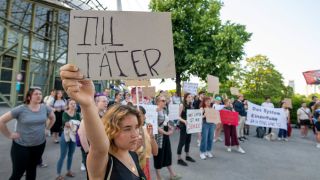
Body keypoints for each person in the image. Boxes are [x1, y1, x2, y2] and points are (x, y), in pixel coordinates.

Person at [60, 64, 146, 179]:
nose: (136, 134)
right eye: (127, 128)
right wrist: (88, 104)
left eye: (136, 127)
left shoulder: (133, 154)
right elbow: (99, 147)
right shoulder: (103, 160)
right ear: (112, 130)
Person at [0, 87, 55, 180]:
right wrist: (9, 135)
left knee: (32, 170)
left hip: (39, 145)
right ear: (29, 97)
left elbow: (53, 118)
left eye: (40, 94)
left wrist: (47, 129)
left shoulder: (45, 108)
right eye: (36, 94)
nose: (39, 96)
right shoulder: (21, 109)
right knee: (18, 173)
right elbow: (1, 121)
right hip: (21, 146)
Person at [78, 94, 109, 174]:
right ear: (96, 103)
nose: (106, 103)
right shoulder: (89, 115)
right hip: (91, 152)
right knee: (93, 175)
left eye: (107, 101)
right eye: (104, 101)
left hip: (101, 151)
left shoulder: (104, 115)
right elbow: (82, 134)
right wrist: (88, 152)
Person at [153, 95, 181, 180]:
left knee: (167, 153)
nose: (164, 102)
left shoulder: (164, 110)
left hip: (165, 134)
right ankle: (158, 177)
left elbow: (165, 121)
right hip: (158, 136)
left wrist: (170, 126)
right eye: (162, 100)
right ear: (157, 101)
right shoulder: (154, 111)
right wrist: (166, 132)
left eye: (165, 100)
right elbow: (155, 126)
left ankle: (172, 174)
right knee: (158, 155)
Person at [56, 99, 81, 179]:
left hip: (73, 136)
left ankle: (68, 171)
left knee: (70, 154)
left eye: (74, 103)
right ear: (68, 105)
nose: (73, 105)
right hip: (65, 135)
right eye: (71, 103)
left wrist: (72, 123)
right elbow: (66, 124)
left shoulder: (77, 114)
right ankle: (58, 174)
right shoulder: (65, 113)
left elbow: (79, 124)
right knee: (63, 155)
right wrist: (75, 123)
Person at [134, 106, 158, 180]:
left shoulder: (145, 131)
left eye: (140, 114)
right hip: (134, 168)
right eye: (135, 114)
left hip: (145, 167)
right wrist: (136, 148)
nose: (137, 117)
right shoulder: (130, 134)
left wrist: (151, 136)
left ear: (144, 116)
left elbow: (155, 153)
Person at [177, 93, 196, 165]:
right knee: (182, 142)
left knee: (188, 141)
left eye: (191, 97)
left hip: (190, 126)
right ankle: (179, 158)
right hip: (183, 126)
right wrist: (184, 121)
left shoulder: (191, 105)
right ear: (185, 98)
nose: (190, 98)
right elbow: (178, 117)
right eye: (189, 97)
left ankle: (187, 156)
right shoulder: (182, 105)